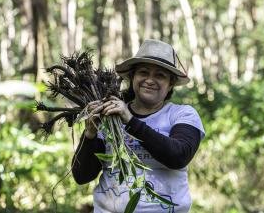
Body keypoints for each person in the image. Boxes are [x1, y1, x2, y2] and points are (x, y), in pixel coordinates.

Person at [71, 39, 205, 213]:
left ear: (170, 83)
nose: (150, 80)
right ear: (132, 77)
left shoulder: (182, 114)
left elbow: (178, 156)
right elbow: (82, 176)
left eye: (160, 75)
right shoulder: (110, 116)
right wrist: (89, 134)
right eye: (143, 73)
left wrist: (131, 121)